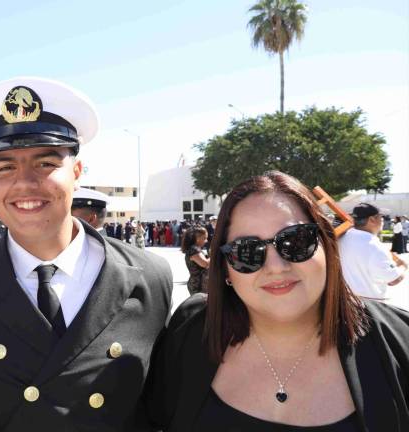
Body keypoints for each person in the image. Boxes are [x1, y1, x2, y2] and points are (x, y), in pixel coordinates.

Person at [0, 77, 173, 431]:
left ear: (77, 173)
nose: (24, 182)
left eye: (44, 163)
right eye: (5, 166)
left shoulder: (148, 276)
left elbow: (165, 409)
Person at [149, 171, 409, 431]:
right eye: (247, 251)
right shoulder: (190, 332)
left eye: (296, 241)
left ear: (327, 246)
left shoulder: (400, 340)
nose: (276, 267)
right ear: (225, 268)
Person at [339, 203, 407, 300]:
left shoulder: (343, 237)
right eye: (381, 217)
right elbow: (393, 280)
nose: (382, 221)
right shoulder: (374, 246)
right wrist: (403, 266)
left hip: (345, 301)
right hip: (370, 306)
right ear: (372, 219)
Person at [181, 226, 209, 295]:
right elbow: (205, 263)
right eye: (204, 238)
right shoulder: (193, 249)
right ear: (197, 239)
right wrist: (215, 254)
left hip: (200, 284)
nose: (206, 241)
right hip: (198, 285)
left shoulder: (195, 249)